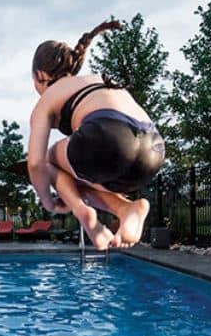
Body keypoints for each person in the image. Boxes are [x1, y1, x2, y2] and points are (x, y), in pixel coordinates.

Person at [27, 20, 166, 250]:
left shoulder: (49, 97)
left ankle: (84, 215)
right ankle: (128, 209)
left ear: (39, 74)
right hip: (153, 152)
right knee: (74, 176)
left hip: (109, 136)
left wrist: (47, 201)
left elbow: (35, 164)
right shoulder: (95, 81)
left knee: (50, 160)